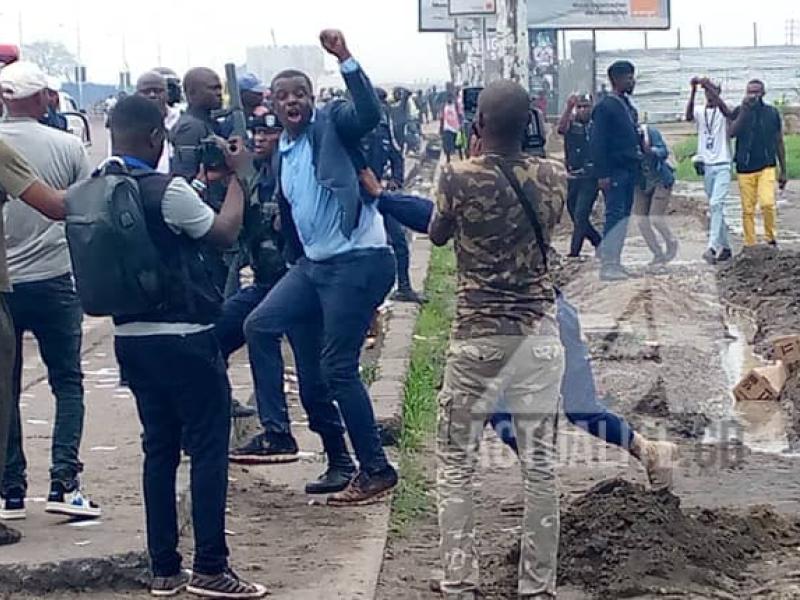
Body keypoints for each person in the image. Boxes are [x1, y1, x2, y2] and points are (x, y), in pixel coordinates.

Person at [102, 95, 267, 598]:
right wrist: (240, 177)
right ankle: (212, 568)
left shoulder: (94, 189)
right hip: (186, 340)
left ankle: (164, 569)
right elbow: (222, 232)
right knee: (208, 451)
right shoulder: (166, 190)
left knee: (158, 451)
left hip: (130, 341)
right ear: (157, 138)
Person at [244, 29, 398, 506]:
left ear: (312, 99)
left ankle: (376, 469)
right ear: (271, 103)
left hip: (357, 261)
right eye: (282, 96)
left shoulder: (331, 125)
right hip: (313, 266)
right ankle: (290, 439)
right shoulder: (280, 153)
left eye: (300, 94)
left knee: (337, 368)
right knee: (260, 325)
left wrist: (345, 58)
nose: (292, 102)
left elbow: (368, 113)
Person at [428, 79, 566, 600]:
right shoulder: (553, 175)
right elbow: (548, 224)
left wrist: (470, 156)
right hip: (538, 334)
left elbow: (439, 236)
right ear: (530, 122)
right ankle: (536, 587)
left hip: (477, 336)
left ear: (477, 124)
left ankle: (461, 581)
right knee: (540, 466)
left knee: (457, 463)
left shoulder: (456, 175)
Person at [0, 61, 99, 521]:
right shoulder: (64, 145)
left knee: (7, 389)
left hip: (6, 288)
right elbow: (68, 209)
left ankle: (10, 490)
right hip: (54, 277)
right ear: (43, 98)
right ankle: (65, 483)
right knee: (68, 382)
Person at [367, 88, 424, 303]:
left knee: (399, 241)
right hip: (357, 199)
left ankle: (404, 287)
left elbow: (395, 154)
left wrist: (396, 181)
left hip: (381, 194)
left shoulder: (383, 126)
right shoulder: (349, 127)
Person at [591, 60, 643, 282]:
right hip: (614, 171)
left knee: (623, 217)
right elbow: (597, 142)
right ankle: (608, 264)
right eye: (629, 77)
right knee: (614, 216)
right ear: (617, 80)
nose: (632, 81)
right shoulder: (605, 107)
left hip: (629, 169)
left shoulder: (626, 105)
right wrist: (602, 174)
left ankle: (616, 262)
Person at [729, 79, 787, 248]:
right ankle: (750, 243)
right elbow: (731, 133)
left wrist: (783, 170)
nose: (753, 95)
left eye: (756, 92)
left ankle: (770, 238)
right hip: (744, 168)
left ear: (763, 93)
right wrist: (744, 111)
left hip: (766, 166)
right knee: (747, 209)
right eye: (749, 92)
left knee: (767, 203)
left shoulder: (771, 112)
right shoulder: (740, 111)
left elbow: (779, 141)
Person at [686, 77, 734, 264]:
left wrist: (708, 86)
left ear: (718, 92)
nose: (709, 95)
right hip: (707, 165)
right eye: (707, 92)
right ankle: (727, 247)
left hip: (722, 163)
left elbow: (728, 111)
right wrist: (693, 91)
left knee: (716, 204)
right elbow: (689, 116)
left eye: (713, 91)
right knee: (716, 208)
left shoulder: (724, 108)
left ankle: (712, 247)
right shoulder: (700, 111)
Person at [557, 93, 602, 259]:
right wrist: (568, 108)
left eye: (586, 106)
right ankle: (598, 241)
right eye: (580, 107)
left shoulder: (597, 125)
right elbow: (561, 129)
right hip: (573, 176)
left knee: (581, 214)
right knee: (573, 213)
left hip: (590, 177)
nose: (583, 110)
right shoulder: (572, 123)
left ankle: (574, 253)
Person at [633, 123, 678, 265]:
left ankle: (671, 242)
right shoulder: (622, 136)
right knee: (641, 221)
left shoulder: (650, 132)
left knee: (655, 218)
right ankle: (657, 253)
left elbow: (663, 152)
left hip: (660, 179)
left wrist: (650, 150)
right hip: (641, 182)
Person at [135, 71, 172, 173]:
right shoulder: (128, 125)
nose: (152, 95)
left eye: (158, 90)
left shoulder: (179, 120)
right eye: (146, 91)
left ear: (167, 93)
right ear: (137, 94)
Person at [440, 92, 461, 164]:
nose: (449, 99)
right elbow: (442, 117)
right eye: (448, 98)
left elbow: (459, 114)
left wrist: (460, 125)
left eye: (450, 98)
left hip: (456, 128)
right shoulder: (444, 106)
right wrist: (441, 128)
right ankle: (448, 161)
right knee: (447, 146)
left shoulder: (456, 105)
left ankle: (461, 160)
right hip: (447, 128)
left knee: (458, 146)